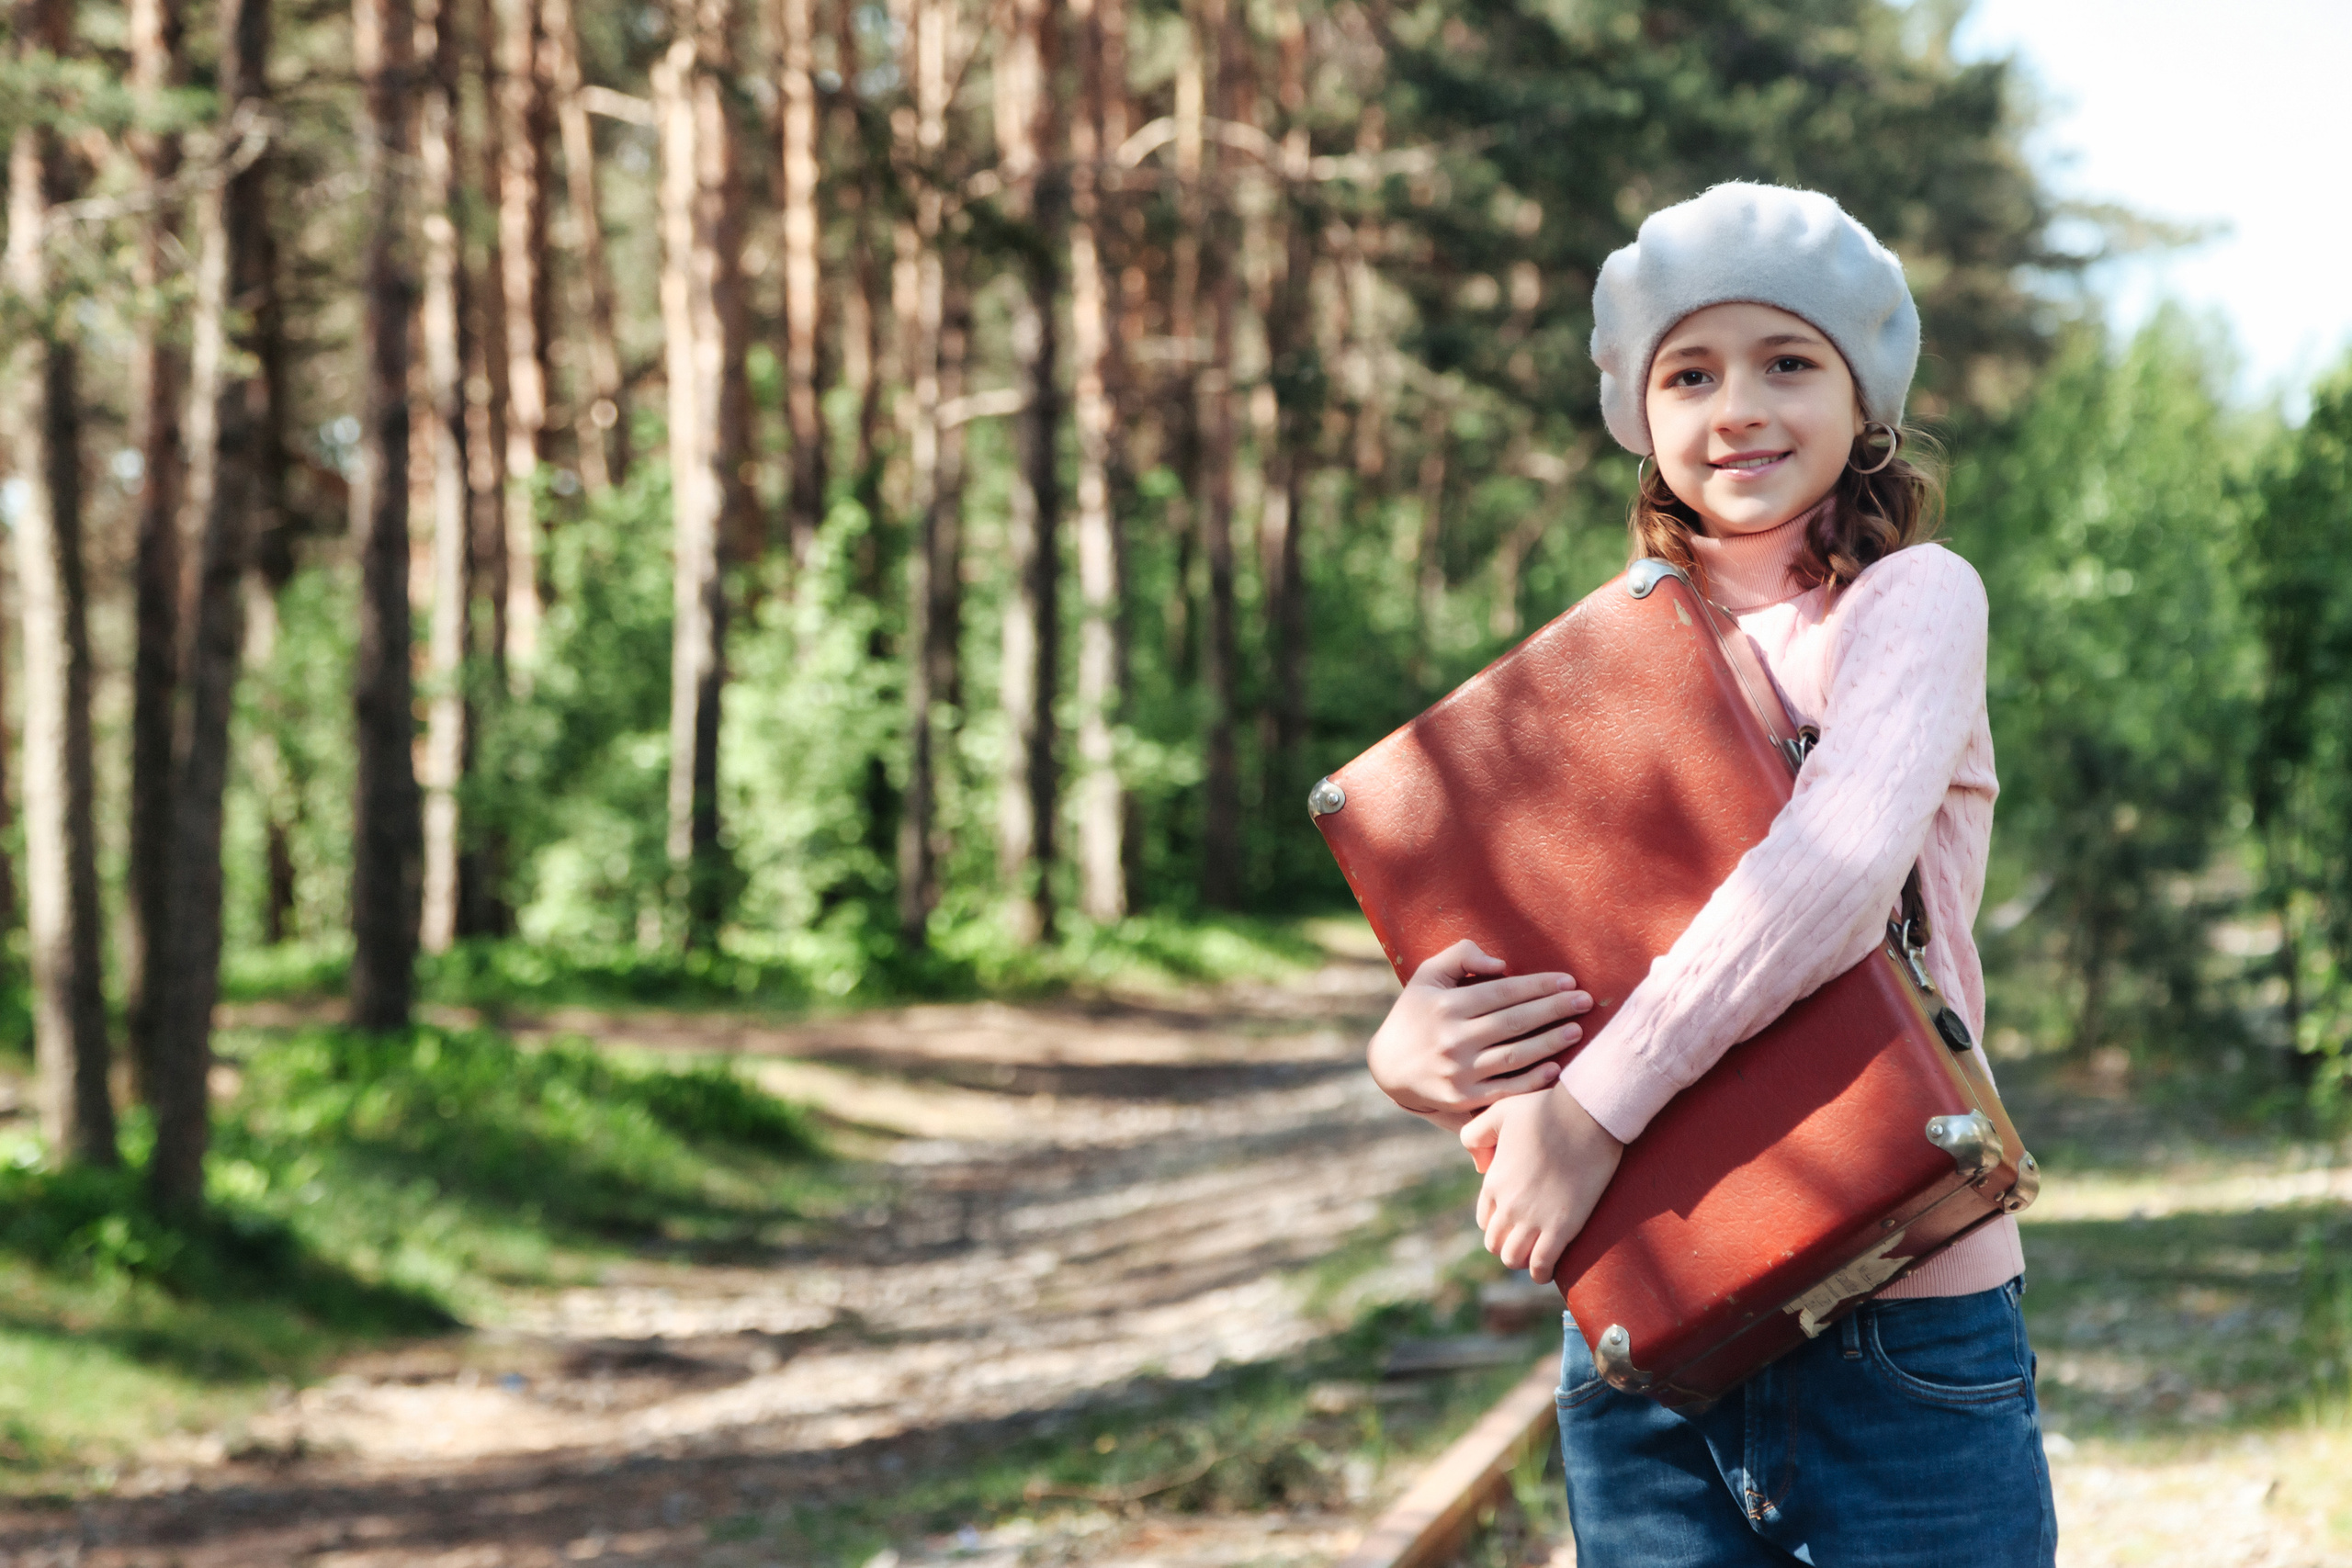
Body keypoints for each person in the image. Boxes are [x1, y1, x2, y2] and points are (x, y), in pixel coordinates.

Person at [1363, 182, 2057, 1567]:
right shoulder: (1594, 678)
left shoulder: (1909, 601)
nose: (1738, 406)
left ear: (1864, 400)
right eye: (1693, 372)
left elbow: (1839, 870)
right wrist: (1422, 1058)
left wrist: (1598, 1114)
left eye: (1787, 361)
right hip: (1649, 1329)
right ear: (1643, 413)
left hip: (1897, 1307)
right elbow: (1551, 960)